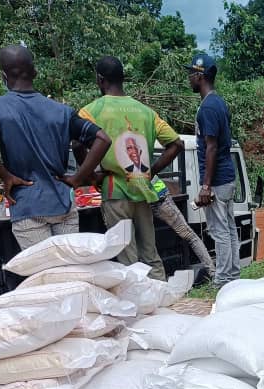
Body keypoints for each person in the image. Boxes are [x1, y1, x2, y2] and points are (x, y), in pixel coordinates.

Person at [0, 45, 111, 250]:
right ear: (34, 72)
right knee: (72, 270)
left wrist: (5, 175)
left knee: (43, 275)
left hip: (26, 206)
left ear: (3, 75)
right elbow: (103, 139)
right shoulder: (62, 111)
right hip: (63, 204)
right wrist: (78, 178)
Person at [79, 55, 186, 280]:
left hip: (114, 190)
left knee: (126, 257)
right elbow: (176, 144)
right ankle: (161, 300)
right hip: (142, 191)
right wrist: (152, 171)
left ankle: (137, 309)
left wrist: (90, 175)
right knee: (150, 253)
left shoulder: (90, 111)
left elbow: (77, 142)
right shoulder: (146, 111)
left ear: (100, 80)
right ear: (122, 78)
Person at [187, 52, 241, 288]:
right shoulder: (219, 102)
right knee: (228, 228)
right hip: (226, 176)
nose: (189, 77)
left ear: (201, 76)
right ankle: (232, 275)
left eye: (191, 73)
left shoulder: (208, 107)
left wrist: (206, 186)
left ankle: (223, 280)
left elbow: (211, 147)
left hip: (217, 180)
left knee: (219, 231)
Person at [150, 173, 215, 278]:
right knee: (191, 237)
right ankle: (213, 273)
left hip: (153, 197)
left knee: (189, 236)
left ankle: (213, 273)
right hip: (157, 195)